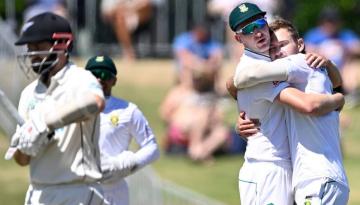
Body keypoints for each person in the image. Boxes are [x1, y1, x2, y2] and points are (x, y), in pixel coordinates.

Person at [227, 3, 344, 204]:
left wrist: (328, 64)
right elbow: (309, 105)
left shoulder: (282, 66)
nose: (257, 33)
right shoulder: (261, 70)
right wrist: (338, 99)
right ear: (239, 38)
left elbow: (235, 84)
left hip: (293, 171)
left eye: (260, 24)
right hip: (269, 168)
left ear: (299, 44)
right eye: (247, 30)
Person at [6, 12, 108, 204]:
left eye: (39, 47)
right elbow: (22, 161)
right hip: (38, 193)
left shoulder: (80, 79)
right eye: (29, 48)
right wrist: (27, 146)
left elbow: (96, 102)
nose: (32, 55)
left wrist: (46, 123)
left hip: (77, 191)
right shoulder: (28, 94)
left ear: (63, 45)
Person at [84, 55, 160, 205]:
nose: (99, 79)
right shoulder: (73, 108)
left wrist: (126, 165)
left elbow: (152, 147)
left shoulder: (128, 111)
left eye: (105, 75)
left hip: (114, 190)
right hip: (81, 187)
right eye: (94, 75)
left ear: (114, 80)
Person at [160, 68, 245, 163]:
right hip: (184, 128)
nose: (195, 81)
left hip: (202, 130)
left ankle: (199, 152)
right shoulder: (179, 92)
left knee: (221, 133)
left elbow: (218, 118)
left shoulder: (204, 95)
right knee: (203, 115)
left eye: (198, 79)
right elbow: (165, 114)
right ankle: (197, 150)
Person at [304, 6, 360, 99]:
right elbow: (304, 49)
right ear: (322, 22)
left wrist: (345, 47)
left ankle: (351, 95)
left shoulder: (345, 34)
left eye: (333, 22)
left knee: (355, 65)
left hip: (343, 70)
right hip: (321, 71)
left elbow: (357, 47)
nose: (330, 25)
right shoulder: (314, 35)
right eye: (328, 21)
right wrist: (320, 50)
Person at [172, 24, 223, 90]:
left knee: (214, 68)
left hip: (205, 67)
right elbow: (183, 56)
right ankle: (188, 90)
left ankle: (215, 91)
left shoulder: (208, 41)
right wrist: (199, 65)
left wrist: (208, 65)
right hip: (189, 67)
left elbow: (217, 55)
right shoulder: (184, 39)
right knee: (187, 68)